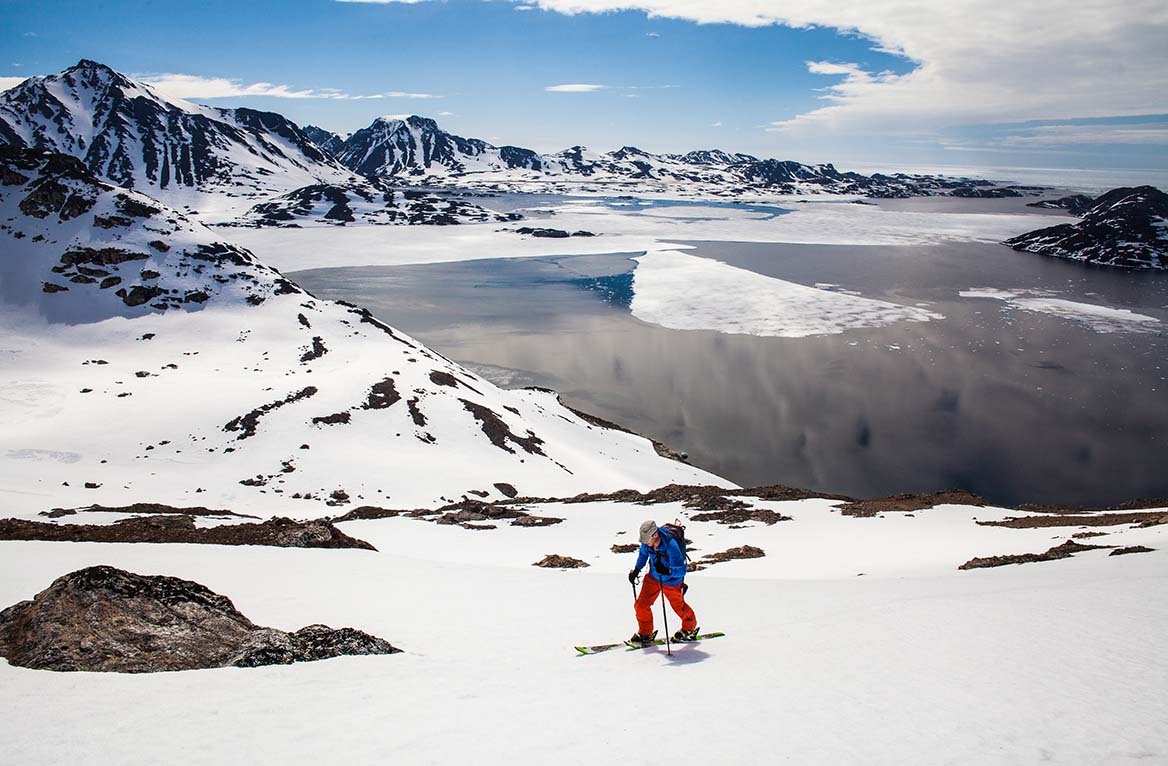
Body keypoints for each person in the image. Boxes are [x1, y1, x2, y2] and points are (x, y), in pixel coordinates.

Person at [628, 519, 699, 646]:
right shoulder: (647, 543)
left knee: (679, 607)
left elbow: (682, 570)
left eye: (647, 540)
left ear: (655, 535)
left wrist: (668, 571)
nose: (645, 543)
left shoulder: (671, 545)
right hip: (654, 577)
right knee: (641, 605)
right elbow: (643, 555)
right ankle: (645, 633)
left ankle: (689, 629)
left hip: (672, 582)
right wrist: (637, 570)